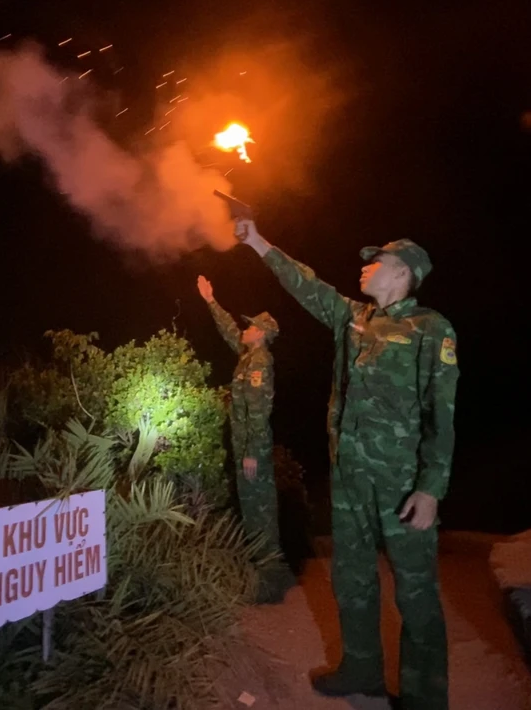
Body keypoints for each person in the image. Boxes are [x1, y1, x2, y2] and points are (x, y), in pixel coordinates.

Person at [234, 220, 459, 710]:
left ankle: (425, 697)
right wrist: (256, 241)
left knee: (415, 590)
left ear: (401, 273)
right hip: (350, 475)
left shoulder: (430, 328)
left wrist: (431, 488)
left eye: (375, 261)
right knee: (352, 576)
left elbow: (442, 414)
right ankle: (362, 671)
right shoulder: (352, 317)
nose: (364, 266)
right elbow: (306, 284)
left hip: (403, 483)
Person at [196, 274, 294, 603]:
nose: (246, 329)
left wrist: (252, 452)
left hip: (253, 448)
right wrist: (211, 300)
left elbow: (259, 411)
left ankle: (272, 580)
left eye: (252, 326)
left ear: (263, 334)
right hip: (244, 446)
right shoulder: (247, 356)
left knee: (261, 510)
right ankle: (264, 575)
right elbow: (229, 331)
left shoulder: (260, 363)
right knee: (252, 509)